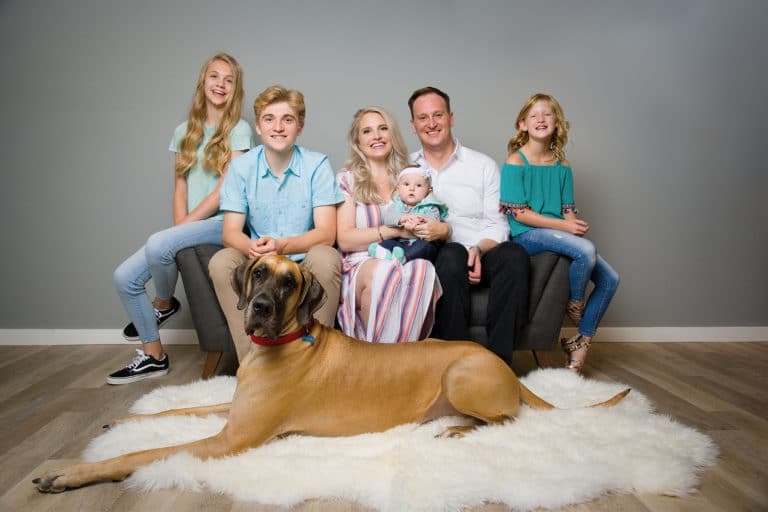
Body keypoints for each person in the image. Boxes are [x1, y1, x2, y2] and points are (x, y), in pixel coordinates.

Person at [109, 53, 254, 385]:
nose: (221, 84)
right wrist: (179, 230)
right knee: (124, 278)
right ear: (202, 82)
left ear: (236, 90)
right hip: (191, 223)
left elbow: (225, 190)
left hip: (224, 224)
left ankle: (162, 302)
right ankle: (153, 356)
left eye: (229, 80)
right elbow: (179, 188)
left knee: (161, 243)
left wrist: (179, 230)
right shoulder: (183, 132)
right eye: (215, 76)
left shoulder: (240, 130)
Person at [208, 85, 343, 361]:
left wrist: (281, 246)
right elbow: (231, 232)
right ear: (258, 126)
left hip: (302, 262)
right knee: (221, 261)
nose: (278, 127)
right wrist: (254, 249)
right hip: (261, 262)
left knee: (327, 258)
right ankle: (251, 362)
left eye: (288, 119)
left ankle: (315, 361)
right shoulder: (241, 168)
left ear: (300, 127)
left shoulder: (317, 165)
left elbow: (327, 233)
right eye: (269, 119)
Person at [407, 86, 530, 365]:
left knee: (515, 255)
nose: (431, 123)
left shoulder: (482, 165)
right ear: (413, 126)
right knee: (452, 255)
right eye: (423, 118)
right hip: (438, 256)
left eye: (438, 115)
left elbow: (497, 223)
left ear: (450, 117)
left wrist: (478, 249)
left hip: (482, 251)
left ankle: (498, 365)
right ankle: (456, 366)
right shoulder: (405, 168)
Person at [500, 93, 619, 372]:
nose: (541, 119)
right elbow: (520, 214)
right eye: (534, 115)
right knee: (586, 250)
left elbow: (568, 211)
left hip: (557, 232)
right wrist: (566, 229)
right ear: (522, 125)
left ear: (557, 123)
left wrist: (572, 227)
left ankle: (580, 342)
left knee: (610, 279)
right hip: (525, 235)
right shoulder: (516, 162)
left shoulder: (562, 166)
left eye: (548, 114)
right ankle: (575, 303)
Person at [336, 106, 442, 342]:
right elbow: (345, 239)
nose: (377, 136)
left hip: (405, 256)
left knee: (424, 270)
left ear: (392, 134)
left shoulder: (411, 177)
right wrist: (393, 230)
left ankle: (398, 361)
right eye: (367, 131)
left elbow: (433, 214)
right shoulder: (347, 179)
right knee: (384, 271)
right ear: (357, 140)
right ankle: (379, 359)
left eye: (383, 129)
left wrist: (441, 228)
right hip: (361, 263)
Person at [370, 164, 448, 263]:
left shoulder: (431, 207)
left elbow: (433, 223)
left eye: (418, 185)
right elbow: (388, 219)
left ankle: (404, 258)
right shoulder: (397, 205)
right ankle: (384, 253)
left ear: (428, 192)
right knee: (389, 242)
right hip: (399, 242)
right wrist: (401, 218)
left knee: (427, 246)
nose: (412, 189)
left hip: (420, 242)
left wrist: (418, 223)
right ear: (398, 189)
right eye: (406, 184)